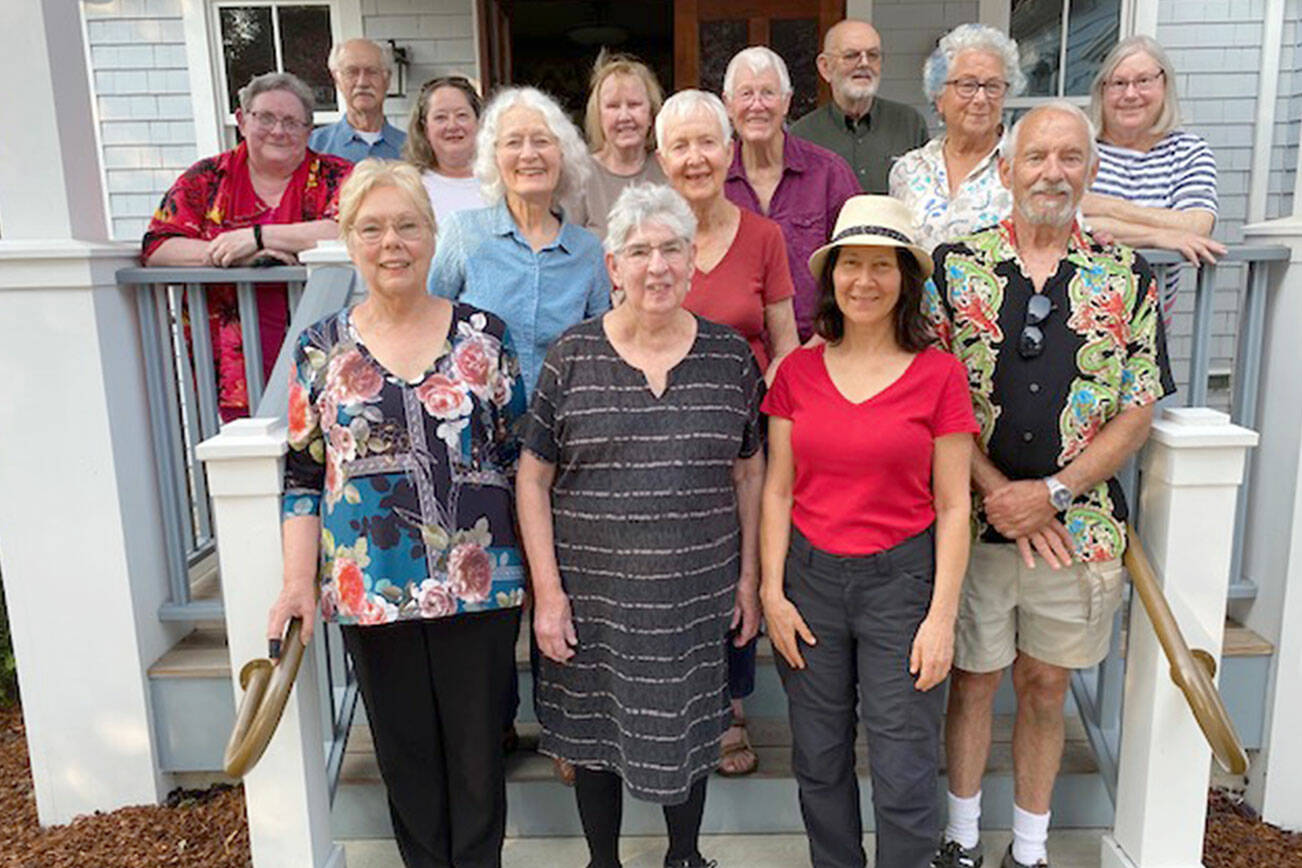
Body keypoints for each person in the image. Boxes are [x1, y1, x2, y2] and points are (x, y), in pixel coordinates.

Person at [926, 102, 1174, 868]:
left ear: (1091, 172)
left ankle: (1028, 851)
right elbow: (933, 398)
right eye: (1036, 157)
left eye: (1070, 158)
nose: (1052, 172)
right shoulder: (952, 266)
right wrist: (1002, 491)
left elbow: (1137, 407)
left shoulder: (1126, 275)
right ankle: (961, 841)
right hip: (971, 515)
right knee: (971, 681)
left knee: (1044, 686)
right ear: (1005, 169)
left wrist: (1054, 493)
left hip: (1079, 526)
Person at [267, 159, 527, 868]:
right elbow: (301, 472)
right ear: (350, 239)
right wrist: (296, 584)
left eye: (407, 225)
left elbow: (519, 458)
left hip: (481, 589)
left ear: (431, 233)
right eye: (373, 228)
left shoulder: (485, 336)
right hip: (370, 590)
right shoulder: (320, 348)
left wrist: (546, 579)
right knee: (407, 767)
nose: (392, 243)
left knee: (478, 765)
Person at [517, 183, 766, 868]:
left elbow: (750, 471)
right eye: (639, 251)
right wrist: (549, 593)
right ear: (613, 266)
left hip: (695, 596)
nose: (656, 266)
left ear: (692, 263)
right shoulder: (571, 357)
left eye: (671, 250)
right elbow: (533, 477)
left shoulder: (729, 359)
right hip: (592, 598)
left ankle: (684, 857)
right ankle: (604, 862)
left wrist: (748, 580)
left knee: (689, 729)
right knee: (595, 737)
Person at [760, 194, 977, 868]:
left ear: (905, 281)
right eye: (851, 265)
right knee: (819, 757)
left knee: (905, 761)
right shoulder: (796, 373)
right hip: (811, 582)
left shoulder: (940, 375)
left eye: (882, 267)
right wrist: (772, 592)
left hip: (902, 584)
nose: (864, 281)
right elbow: (778, 488)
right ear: (831, 278)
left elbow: (953, 506)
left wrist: (941, 617)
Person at [654, 89, 798, 777]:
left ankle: (730, 704)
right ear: (661, 159)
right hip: (661, 437)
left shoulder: (763, 236)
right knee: (675, 570)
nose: (695, 157)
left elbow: (785, 339)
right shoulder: (646, 239)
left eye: (707, 142)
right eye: (679, 146)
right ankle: (672, 702)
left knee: (740, 563)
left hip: (745, 439)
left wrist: (790, 420)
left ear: (729, 151)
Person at [143, 71, 352, 420]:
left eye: (291, 121)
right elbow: (158, 246)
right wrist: (236, 256)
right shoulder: (206, 178)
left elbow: (349, 230)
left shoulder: (338, 175)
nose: (278, 130)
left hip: (321, 355)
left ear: (309, 131)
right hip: (224, 363)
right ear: (241, 120)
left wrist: (258, 236)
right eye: (266, 117)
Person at [428, 86, 610, 401]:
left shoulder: (588, 251)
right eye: (513, 142)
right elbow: (428, 320)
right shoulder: (462, 233)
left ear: (562, 155)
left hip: (561, 424)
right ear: (495, 157)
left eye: (542, 141)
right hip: (480, 424)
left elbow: (601, 351)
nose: (528, 154)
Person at [722, 46, 861, 342]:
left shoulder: (829, 174)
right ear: (728, 105)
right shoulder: (713, 181)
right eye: (746, 94)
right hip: (734, 354)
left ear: (786, 103)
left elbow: (858, 261)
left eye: (768, 93)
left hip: (821, 348)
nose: (757, 105)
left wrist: (822, 337)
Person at [1083, 34, 1225, 323]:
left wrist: (1101, 206)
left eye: (1144, 81)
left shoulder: (1188, 152)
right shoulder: (1081, 146)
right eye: (1119, 83)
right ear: (1102, 91)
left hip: (1150, 323)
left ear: (1164, 84)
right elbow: (1068, 221)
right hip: (1079, 312)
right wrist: (1161, 235)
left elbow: (1197, 225)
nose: (1131, 94)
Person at [890, 24, 1025, 252]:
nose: (981, 98)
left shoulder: (1025, 167)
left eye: (993, 86)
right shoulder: (908, 170)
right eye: (967, 85)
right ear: (939, 97)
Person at [790, 18, 930, 194]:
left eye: (873, 55)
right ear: (825, 67)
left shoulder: (909, 124)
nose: (864, 63)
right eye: (851, 55)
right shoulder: (802, 136)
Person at [574, 50, 668, 239]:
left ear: (651, 114)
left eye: (634, 105)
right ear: (598, 116)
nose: (624, 117)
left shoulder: (668, 168)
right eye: (613, 106)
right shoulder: (579, 176)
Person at [404, 75, 488, 226]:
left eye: (462, 116)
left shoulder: (502, 181)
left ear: (479, 121)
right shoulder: (409, 188)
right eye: (440, 117)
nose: (452, 126)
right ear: (424, 128)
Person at [309, 38, 407, 162]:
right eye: (352, 72)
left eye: (372, 72)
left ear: (387, 79)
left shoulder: (412, 150)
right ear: (337, 80)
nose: (362, 83)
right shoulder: (313, 148)